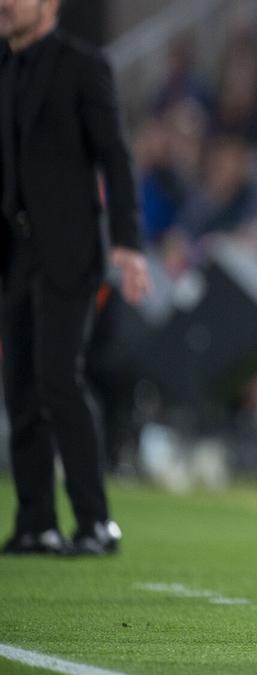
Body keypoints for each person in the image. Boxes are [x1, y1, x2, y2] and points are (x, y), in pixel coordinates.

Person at [0, 0, 150, 555]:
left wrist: (129, 244)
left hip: (69, 251)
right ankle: (36, 521)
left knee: (59, 378)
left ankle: (94, 520)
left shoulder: (84, 67)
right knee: (19, 387)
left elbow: (116, 156)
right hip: (15, 252)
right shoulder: (4, 65)